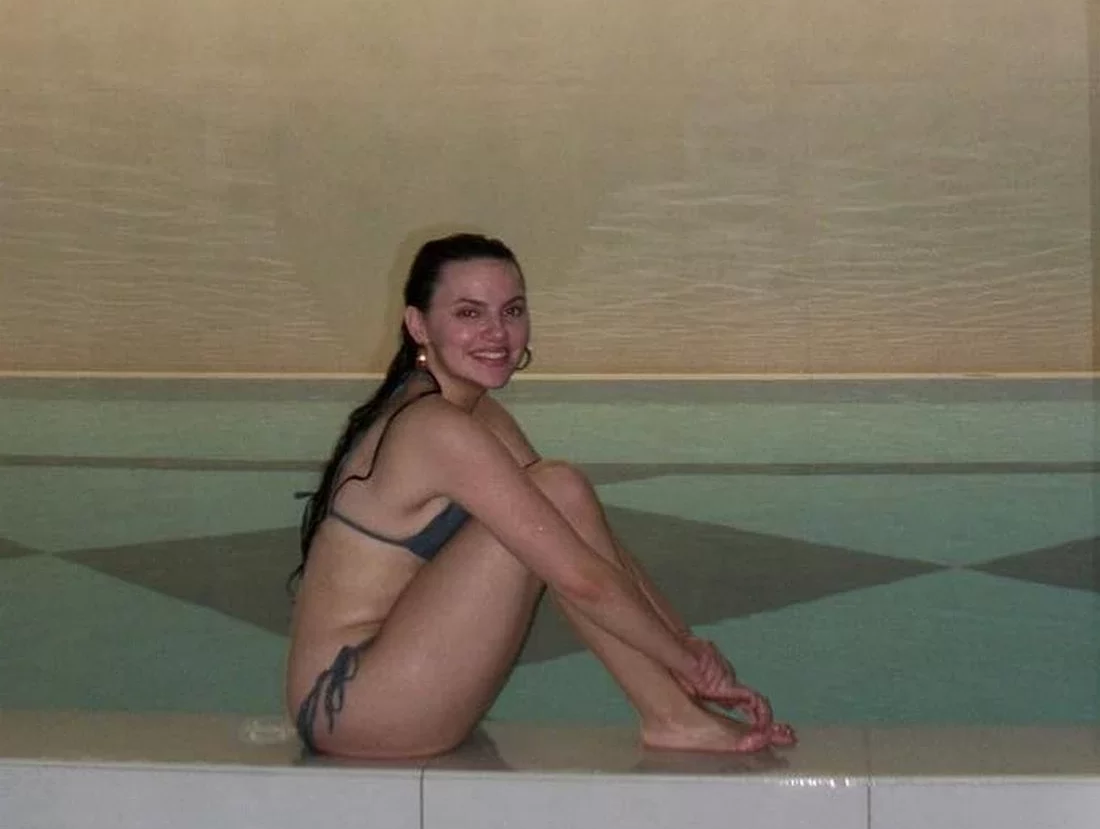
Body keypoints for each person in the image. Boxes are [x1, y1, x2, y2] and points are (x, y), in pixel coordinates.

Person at [286, 233, 796, 759]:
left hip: (388, 688)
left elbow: (585, 539)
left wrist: (685, 643)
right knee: (557, 492)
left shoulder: (474, 414)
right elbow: (581, 579)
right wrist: (687, 664)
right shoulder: (434, 428)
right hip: (348, 706)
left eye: (512, 311)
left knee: (559, 496)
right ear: (419, 325)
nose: (497, 332)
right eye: (469, 313)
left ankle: (673, 714)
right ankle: (671, 717)